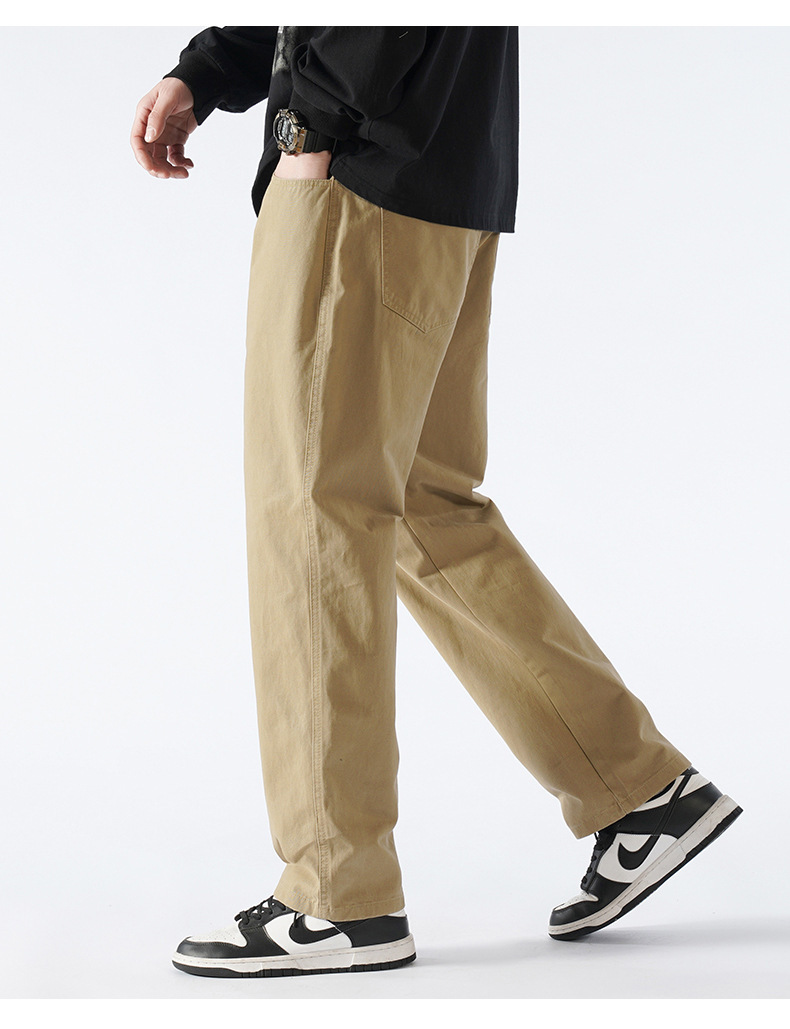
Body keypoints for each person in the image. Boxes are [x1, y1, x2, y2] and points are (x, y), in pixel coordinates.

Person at [131, 26, 742, 980]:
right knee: (422, 503)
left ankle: (338, 892)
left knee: (315, 517)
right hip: (444, 174)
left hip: (355, 172)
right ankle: (639, 788)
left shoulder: (336, 137)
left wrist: (308, 126)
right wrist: (209, 70)